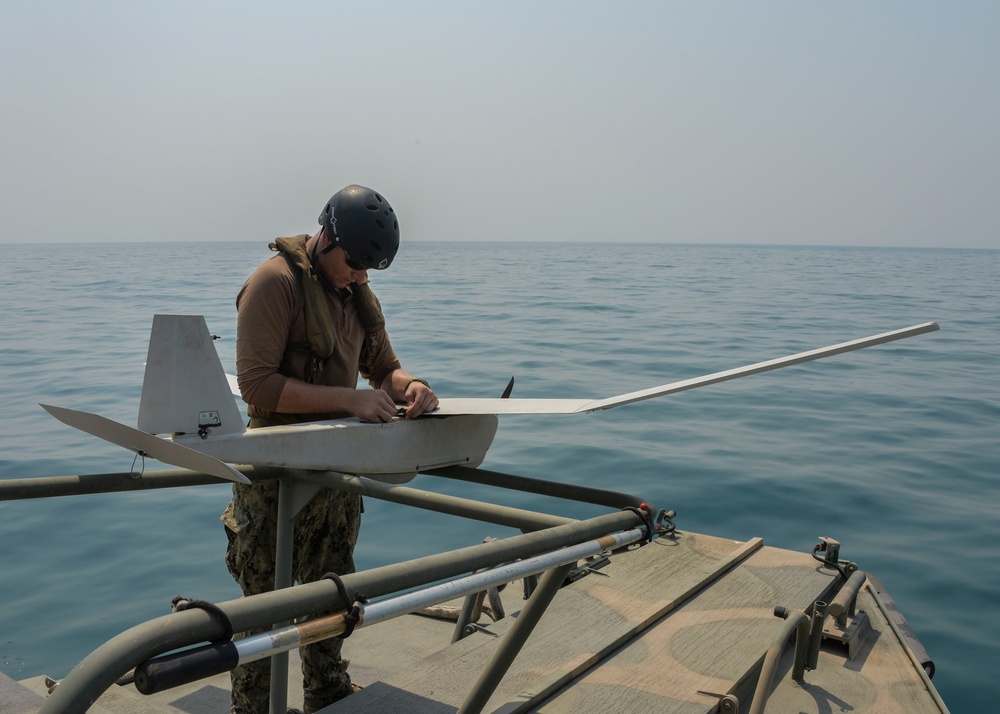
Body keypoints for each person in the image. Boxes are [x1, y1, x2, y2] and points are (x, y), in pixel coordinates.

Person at [221, 184, 438, 714]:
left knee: (334, 590)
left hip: (337, 475)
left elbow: (383, 370)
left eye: (371, 268)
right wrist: (351, 400)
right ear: (326, 237)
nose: (361, 275)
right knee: (264, 606)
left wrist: (411, 387)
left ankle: (327, 689)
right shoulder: (274, 284)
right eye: (355, 263)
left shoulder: (356, 293)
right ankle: (252, 708)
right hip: (275, 473)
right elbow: (257, 386)